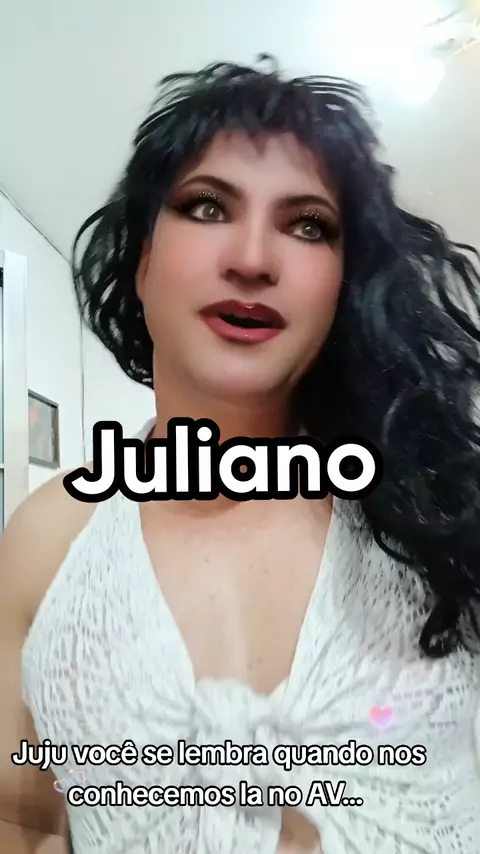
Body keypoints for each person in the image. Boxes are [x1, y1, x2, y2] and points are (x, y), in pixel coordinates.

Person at [1, 55, 480, 854]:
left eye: (308, 225)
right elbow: (19, 815)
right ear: (142, 261)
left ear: (342, 284)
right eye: (206, 206)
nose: (254, 258)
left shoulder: (441, 511)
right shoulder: (46, 542)